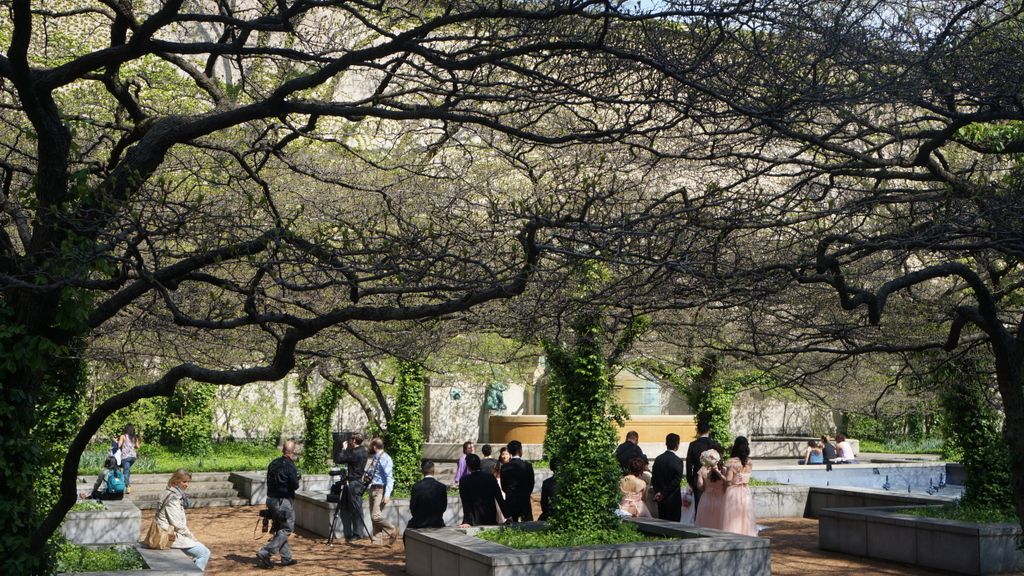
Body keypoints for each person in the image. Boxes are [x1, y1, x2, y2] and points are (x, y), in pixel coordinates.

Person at [156, 469, 211, 571]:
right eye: (184, 481)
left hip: (168, 533)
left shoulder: (168, 492)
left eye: (188, 482)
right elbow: (177, 524)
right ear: (176, 481)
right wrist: (191, 537)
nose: (187, 485)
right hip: (170, 537)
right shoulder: (173, 498)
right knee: (204, 553)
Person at [257, 440, 300, 568]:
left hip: (270, 499)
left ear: (283, 450)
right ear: (293, 451)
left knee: (279, 528)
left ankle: (286, 558)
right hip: (283, 501)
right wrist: (297, 479)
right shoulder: (290, 466)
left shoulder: (273, 463)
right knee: (287, 528)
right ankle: (265, 552)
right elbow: (295, 485)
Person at [333, 432, 370, 542]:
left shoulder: (355, 453)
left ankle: (358, 533)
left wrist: (343, 449)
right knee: (351, 506)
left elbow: (339, 459)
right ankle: (352, 532)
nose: (349, 441)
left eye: (351, 440)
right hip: (357, 481)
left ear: (354, 441)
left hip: (354, 483)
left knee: (356, 508)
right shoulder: (363, 451)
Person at [721, 436, 758, 536]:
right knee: (745, 515)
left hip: (733, 492)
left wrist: (720, 475)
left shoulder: (731, 462)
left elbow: (728, 481)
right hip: (746, 491)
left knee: (733, 517)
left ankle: (733, 536)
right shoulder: (749, 462)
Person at [458, 454, 507, 526]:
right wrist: (507, 516)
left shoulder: (464, 480)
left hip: (473, 519)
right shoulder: (490, 478)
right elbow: (499, 497)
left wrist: (466, 521)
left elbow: (465, 502)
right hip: (490, 517)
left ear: (468, 466)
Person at [365, 437, 397, 546]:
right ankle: (377, 542)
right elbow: (373, 472)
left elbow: (390, 478)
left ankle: (392, 528)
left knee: (376, 516)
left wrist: (387, 495)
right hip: (373, 488)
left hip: (380, 490)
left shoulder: (385, 458)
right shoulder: (376, 457)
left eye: (370, 446)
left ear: (374, 447)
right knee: (373, 517)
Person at [685, 421, 719, 512]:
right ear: (709, 430)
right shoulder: (714, 444)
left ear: (698, 431)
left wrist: (690, 480)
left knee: (699, 506)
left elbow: (689, 463)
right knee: (713, 506)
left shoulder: (693, 445)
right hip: (713, 477)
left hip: (698, 477)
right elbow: (719, 461)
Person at [652, 433, 685, 522]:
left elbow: (654, 478)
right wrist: (663, 493)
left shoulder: (658, 459)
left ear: (666, 443)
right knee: (674, 523)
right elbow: (676, 481)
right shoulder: (678, 461)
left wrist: (658, 492)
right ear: (677, 445)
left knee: (662, 521)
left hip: (660, 498)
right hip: (673, 497)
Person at [407, 460, 448, 532]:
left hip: (419, 522)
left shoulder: (416, 487)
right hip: (437, 522)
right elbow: (443, 507)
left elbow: (413, 507)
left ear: (422, 471)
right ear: (434, 470)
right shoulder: (442, 487)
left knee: (406, 535)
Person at [500, 440, 535, 522]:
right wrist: (526, 493)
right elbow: (531, 483)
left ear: (509, 451)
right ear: (520, 450)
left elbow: (503, 486)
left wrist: (509, 492)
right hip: (525, 499)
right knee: (528, 526)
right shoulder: (527, 466)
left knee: (512, 526)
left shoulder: (505, 467)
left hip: (510, 499)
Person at [694, 448, 726, 530]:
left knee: (705, 525)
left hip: (706, 500)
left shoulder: (702, 470)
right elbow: (727, 485)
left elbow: (700, 486)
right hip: (721, 500)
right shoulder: (723, 470)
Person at [117, 424, 141, 494]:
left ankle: (128, 486)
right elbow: (137, 447)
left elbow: (119, 445)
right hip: (133, 457)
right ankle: (124, 482)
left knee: (125, 471)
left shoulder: (123, 436)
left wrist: (115, 441)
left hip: (125, 457)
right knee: (127, 470)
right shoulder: (134, 437)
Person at [538, 457, 557, 522]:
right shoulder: (566, 482)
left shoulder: (547, 482)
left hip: (551, 512)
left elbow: (543, 502)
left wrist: (547, 512)